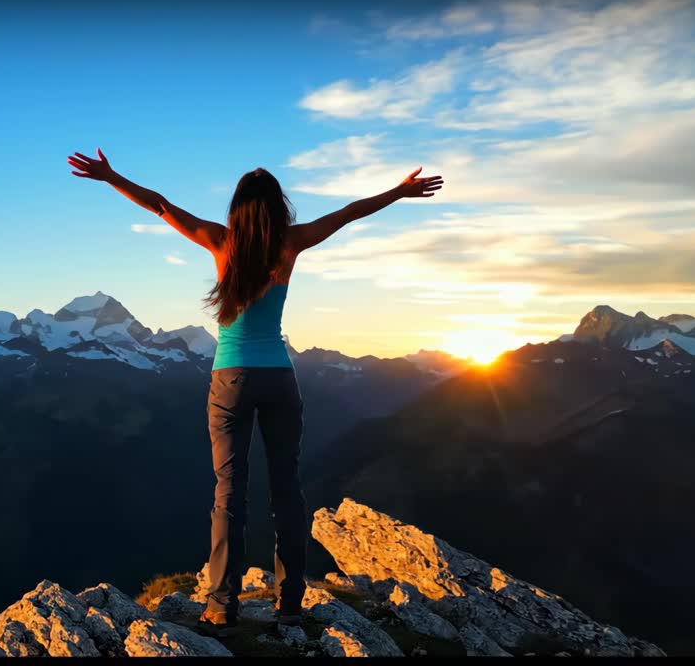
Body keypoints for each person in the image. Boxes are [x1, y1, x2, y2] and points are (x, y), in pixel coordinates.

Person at [67, 149, 443, 631]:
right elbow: (350, 212)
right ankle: (290, 602)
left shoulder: (219, 241)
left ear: (237, 207)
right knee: (287, 489)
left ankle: (222, 604)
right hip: (279, 380)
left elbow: (160, 205)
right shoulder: (292, 242)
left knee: (229, 493)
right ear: (278, 206)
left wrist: (110, 176)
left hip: (230, 380)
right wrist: (399, 191)